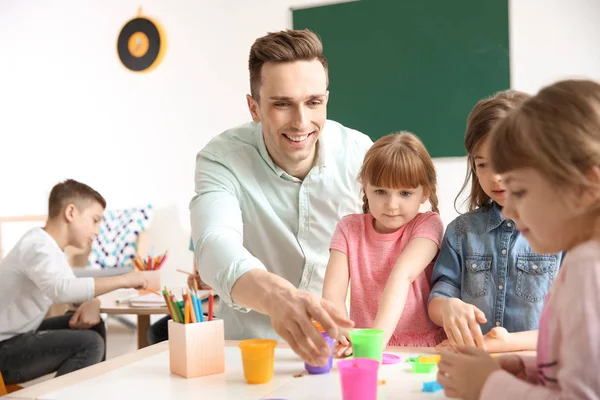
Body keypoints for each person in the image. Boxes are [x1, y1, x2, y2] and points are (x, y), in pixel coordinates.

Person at [190, 29, 372, 366]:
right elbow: (214, 244)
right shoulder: (221, 158)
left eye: (313, 102)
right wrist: (277, 297)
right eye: (282, 104)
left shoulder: (361, 155)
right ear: (254, 107)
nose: (301, 122)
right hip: (250, 355)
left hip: (345, 351)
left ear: (326, 100)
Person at [437, 79, 600, 399]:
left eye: (520, 191)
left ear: (585, 187)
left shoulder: (588, 270)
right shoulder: (584, 260)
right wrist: (529, 368)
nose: (508, 208)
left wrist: (489, 386)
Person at [428, 90, 562, 352]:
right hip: (476, 366)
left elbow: (573, 330)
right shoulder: (462, 231)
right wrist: (448, 308)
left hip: (540, 369)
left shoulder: (562, 232)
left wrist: (505, 343)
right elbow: (440, 295)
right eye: (483, 165)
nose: (495, 177)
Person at [0, 179, 147, 384]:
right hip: (4, 348)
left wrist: (93, 303)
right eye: (95, 220)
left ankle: (90, 393)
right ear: (70, 212)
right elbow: (62, 290)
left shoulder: (51, 249)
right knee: (89, 343)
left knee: (93, 327)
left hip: (18, 337)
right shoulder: (37, 247)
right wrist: (124, 279)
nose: (97, 231)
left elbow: (73, 291)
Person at [322, 132, 445, 356]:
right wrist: (342, 332)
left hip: (419, 349)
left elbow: (402, 276)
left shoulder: (428, 224)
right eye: (380, 191)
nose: (391, 205)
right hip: (366, 345)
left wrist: (374, 344)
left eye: (405, 193)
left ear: (424, 192)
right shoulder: (349, 229)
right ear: (365, 188)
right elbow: (332, 294)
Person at [146, 237, 210, 345]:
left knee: (159, 333)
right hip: (201, 302)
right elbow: (197, 273)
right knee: (155, 332)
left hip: (220, 305)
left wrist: (216, 284)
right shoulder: (196, 233)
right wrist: (195, 281)